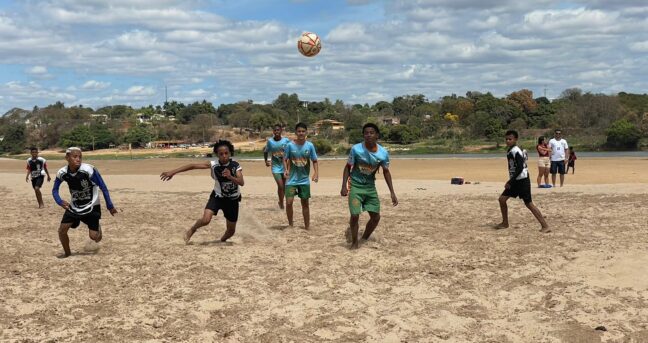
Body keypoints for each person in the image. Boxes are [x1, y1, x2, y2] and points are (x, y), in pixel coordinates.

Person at [161, 140, 244, 244]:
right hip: (217, 197)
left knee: (231, 231)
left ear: (230, 153)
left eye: (226, 153)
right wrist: (172, 172)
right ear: (217, 154)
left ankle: (222, 240)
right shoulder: (214, 165)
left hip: (232, 200)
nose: (224, 156)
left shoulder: (235, 166)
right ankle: (192, 229)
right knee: (205, 220)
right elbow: (192, 165)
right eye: (221, 154)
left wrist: (230, 176)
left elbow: (241, 182)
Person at [52, 147, 118, 257]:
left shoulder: (88, 170)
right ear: (67, 158)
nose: (78, 159)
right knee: (62, 230)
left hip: (92, 206)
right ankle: (67, 254)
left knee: (94, 237)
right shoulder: (62, 172)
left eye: (80, 157)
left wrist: (110, 206)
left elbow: (103, 187)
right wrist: (59, 201)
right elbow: (55, 190)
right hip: (74, 206)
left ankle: (97, 229)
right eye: (75, 157)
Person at [341, 123, 398, 249]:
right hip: (355, 185)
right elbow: (347, 167)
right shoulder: (356, 149)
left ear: (377, 135)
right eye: (366, 133)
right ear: (363, 135)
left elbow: (386, 172)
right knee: (355, 215)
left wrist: (392, 192)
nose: (368, 135)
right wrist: (344, 186)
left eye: (372, 133)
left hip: (370, 187)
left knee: (376, 217)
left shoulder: (383, 153)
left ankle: (364, 238)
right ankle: (355, 242)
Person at [496, 130, 550, 233]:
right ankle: (505, 223)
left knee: (528, 203)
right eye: (506, 139)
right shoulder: (511, 150)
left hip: (522, 180)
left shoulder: (515, 151)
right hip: (515, 180)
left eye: (510, 139)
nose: (508, 141)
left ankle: (545, 226)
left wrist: (510, 181)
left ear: (515, 139)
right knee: (502, 199)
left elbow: (520, 167)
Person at [283, 122, 318, 230]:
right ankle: (290, 224)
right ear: (296, 133)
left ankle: (307, 226)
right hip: (291, 180)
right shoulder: (289, 145)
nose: (301, 133)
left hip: (304, 180)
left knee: (305, 204)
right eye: (299, 131)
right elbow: (284, 159)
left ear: (306, 132)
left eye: (303, 131)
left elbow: (315, 160)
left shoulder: (310, 146)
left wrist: (316, 173)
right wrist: (286, 170)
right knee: (289, 202)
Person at [263, 124, 291, 209]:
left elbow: (291, 150)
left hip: (285, 166)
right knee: (280, 186)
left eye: (278, 130)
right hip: (275, 167)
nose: (276, 132)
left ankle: (284, 202)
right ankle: (281, 202)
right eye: (275, 130)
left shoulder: (286, 140)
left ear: (281, 131)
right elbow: (265, 151)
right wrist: (266, 161)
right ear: (273, 132)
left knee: (285, 186)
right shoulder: (270, 142)